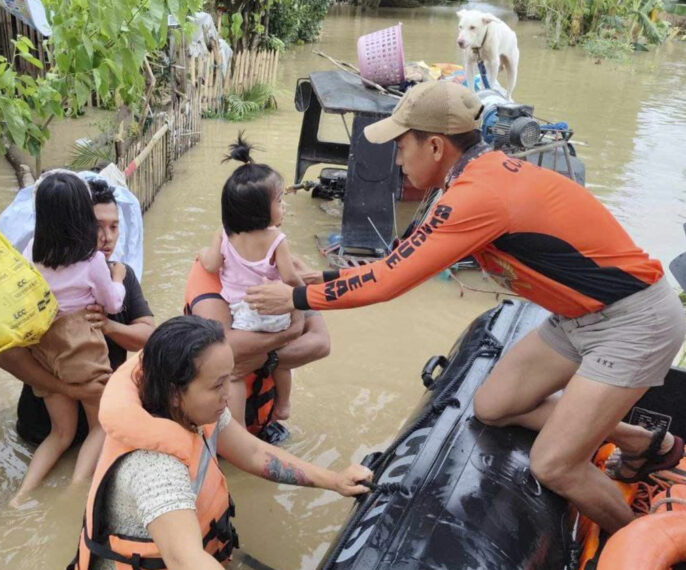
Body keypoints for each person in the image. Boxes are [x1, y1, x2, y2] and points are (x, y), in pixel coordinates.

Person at [244, 80, 686, 534]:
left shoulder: (478, 196)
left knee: (553, 464)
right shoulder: (474, 176)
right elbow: (401, 258)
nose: (396, 158)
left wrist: (296, 297)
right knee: (493, 406)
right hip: (578, 318)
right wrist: (326, 278)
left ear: (434, 146)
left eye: (401, 145)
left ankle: (637, 540)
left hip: (632, 320)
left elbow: (390, 283)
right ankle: (644, 443)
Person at [69, 315, 372, 570]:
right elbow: (184, 559)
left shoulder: (193, 411)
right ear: (175, 392)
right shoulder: (155, 467)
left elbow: (253, 452)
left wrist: (335, 480)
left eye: (229, 378)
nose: (229, 393)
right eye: (217, 385)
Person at [0, 181, 155, 446]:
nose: (108, 237)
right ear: (75, 222)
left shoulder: (120, 274)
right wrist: (68, 389)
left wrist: (108, 327)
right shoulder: (39, 281)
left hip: (94, 423)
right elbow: (5, 356)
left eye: (114, 226)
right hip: (45, 425)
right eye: (97, 225)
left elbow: (149, 337)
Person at [11, 170, 125, 505]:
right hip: (80, 348)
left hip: (43, 348)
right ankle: (76, 489)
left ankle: (21, 496)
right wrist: (117, 276)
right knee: (101, 425)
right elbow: (113, 303)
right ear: (81, 216)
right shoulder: (91, 261)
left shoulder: (32, 250)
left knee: (59, 434)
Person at [198, 135, 305, 420]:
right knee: (281, 363)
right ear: (261, 210)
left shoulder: (223, 233)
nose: (284, 207)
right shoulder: (276, 239)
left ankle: (238, 425)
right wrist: (304, 291)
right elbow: (290, 277)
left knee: (235, 372)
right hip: (274, 311)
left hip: (242, 314)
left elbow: (210, 265)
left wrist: (200, 253)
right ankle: (283, 405)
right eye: (280, 201)